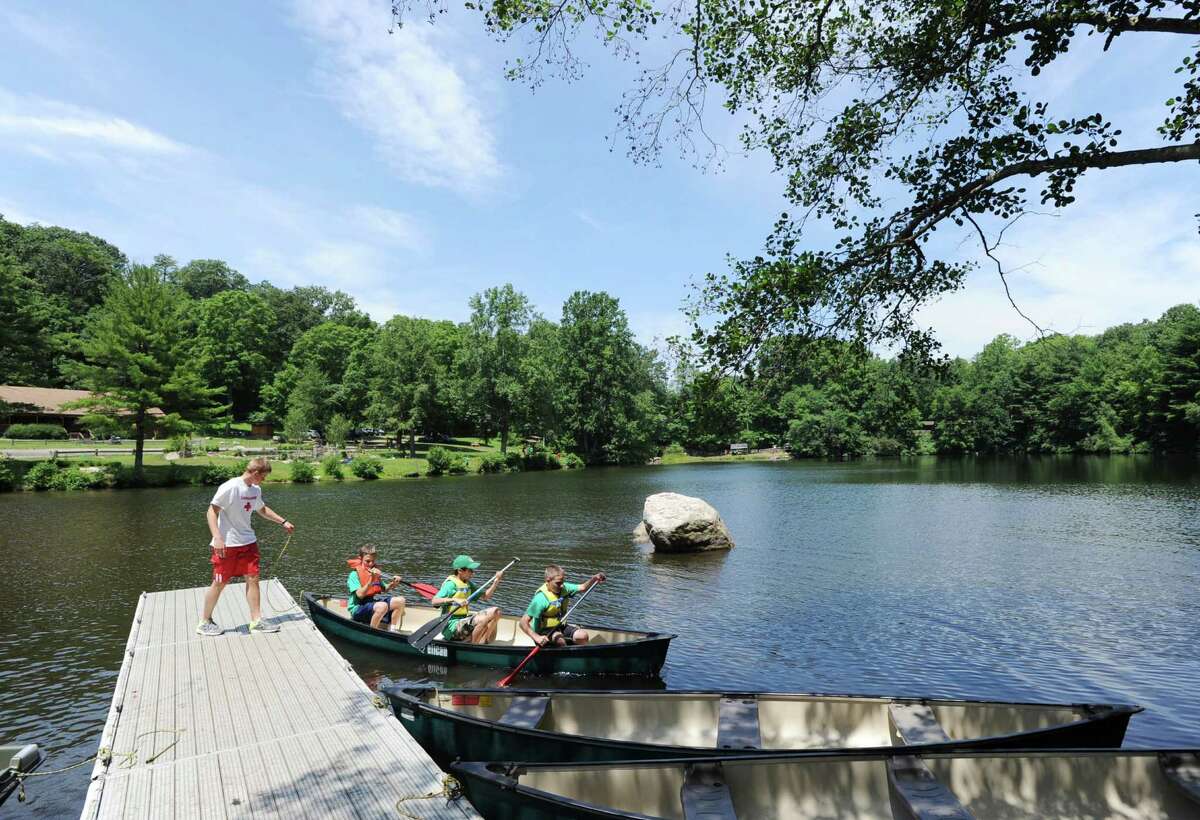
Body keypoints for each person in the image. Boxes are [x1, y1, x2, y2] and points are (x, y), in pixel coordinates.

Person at [196, 457, 295, 636]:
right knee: (219, 582)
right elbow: (211, 511)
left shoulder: (255, 489)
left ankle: (256, 621)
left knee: (253, 578)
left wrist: (283, 521)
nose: (264, 480)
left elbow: (262, 509)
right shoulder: (230, 487)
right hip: (227, 544)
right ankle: (204, 622)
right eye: (263, 476)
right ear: (255, 473)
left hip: (248, 542)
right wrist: (217, 537)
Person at [519, 565, 606, 647]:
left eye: (562, 582)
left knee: (583, 636)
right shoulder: (540, 599)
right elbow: (523, 622)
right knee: (560, 639)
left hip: (560, 626)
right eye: (558, 583)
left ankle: (578, 654)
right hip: (543, 632)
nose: (561, 585)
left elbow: (583, 587)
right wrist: (537, 637)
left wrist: (594, 578)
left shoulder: (564, 587)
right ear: (548, 580)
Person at [431, 554, 505, 643]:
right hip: (451, 627)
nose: (472, 573)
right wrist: (454, 600)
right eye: (470, 570)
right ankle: (473, 647)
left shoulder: (468, 584)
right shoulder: (450, 584)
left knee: (497, 612)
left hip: (463, 621)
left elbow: (485, 596)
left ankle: (485, 639)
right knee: (482, 619)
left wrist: (496, 582)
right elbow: (434, 601)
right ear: (460, 571)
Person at [346, 545, 406, 630]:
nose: (370, 564)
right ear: (361, 559)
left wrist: (393, 583)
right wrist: (371, 579)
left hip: (371, 604)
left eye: (373, 561)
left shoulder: (374, 572)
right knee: (382, 606)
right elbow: (360, 595)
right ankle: (372, 632)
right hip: (357, 608)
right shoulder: (354, 575)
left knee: (400, 601)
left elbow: (385, 588)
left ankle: (392, 630)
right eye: (367, 561)